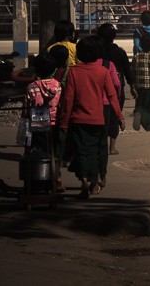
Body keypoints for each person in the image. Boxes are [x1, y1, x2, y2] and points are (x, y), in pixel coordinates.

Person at [58, 35, 124, 198]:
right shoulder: (102, 71)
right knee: (95, 151)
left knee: (81, 152)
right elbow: (112, 96)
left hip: (78, 120)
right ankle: (95, 181)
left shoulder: (73, 72)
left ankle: (85, 181)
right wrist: (119, 116)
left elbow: (68, 99)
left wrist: (64, 122)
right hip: (98, 119)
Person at [25, 53, 64, 192]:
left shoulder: (31, 87)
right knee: (53, 153)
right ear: (53, 69)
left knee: (39, 152)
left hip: (38, 124)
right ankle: (57, 178)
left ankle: (40, 180)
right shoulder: (58, 86)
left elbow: (27, 109)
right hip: (55, 123)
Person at [97, 23, 133, 156]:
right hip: (117, 88)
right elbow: (128, 71)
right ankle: (112, 147)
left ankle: (101, 145)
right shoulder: (120, 52)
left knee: (101, 116)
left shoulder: (97, 53)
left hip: (99, 88)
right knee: (114, 117)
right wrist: (132, 86)